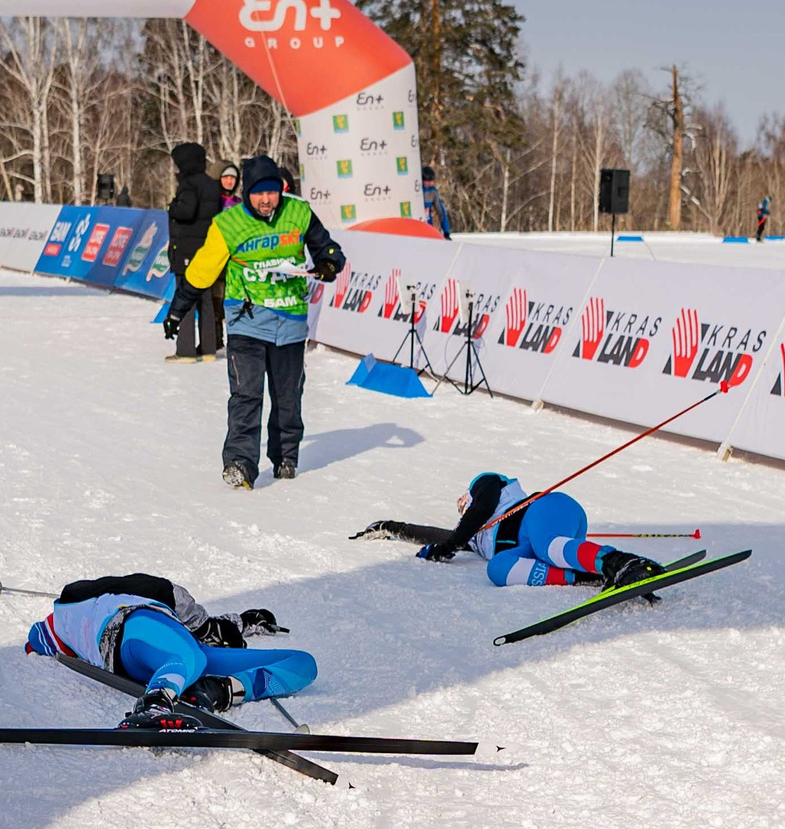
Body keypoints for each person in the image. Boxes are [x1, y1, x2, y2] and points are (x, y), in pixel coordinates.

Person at [167, 154, 346, 489]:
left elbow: (328, 249)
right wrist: (178, 310)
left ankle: (286, 458)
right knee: (246, 395)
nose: (266, 200)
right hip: (246, 322)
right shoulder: (228, 224)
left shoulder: (299, 212)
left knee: (288, 397)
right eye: (259, 193)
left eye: (272, 192)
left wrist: (328, 264)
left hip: (290, 320)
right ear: (247, 193)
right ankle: (240, 463)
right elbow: (202, 271)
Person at [22, 571, 316, 728]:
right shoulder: (159, 595)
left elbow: (208, 627)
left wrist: (245, 622)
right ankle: (154, 703)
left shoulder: (57, 622)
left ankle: (217, 690)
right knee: (190, 655)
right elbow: (40, 637)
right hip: (134, 629)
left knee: (303, 663)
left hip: (180, 660)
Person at [354, 472, 665, 589]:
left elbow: (480, 508)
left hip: (547, 509)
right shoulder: (475, 539)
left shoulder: (488, 486)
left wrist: (453, 543)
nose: (461, 505)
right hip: (527, 545)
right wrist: (392, 528)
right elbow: (442, 536)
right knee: (498, 569)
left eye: (463, 501)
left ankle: (618, 562)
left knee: (547, 545)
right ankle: (587, 575)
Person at [163, 141, 224, 362]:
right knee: (206, 299)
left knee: (186, 297)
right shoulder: (211, 185)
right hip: (207, 248)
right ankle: (208, 348)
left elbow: (186, 211)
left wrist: (172, 207)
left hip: (188, 249)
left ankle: (186, 350)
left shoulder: (189, 185)